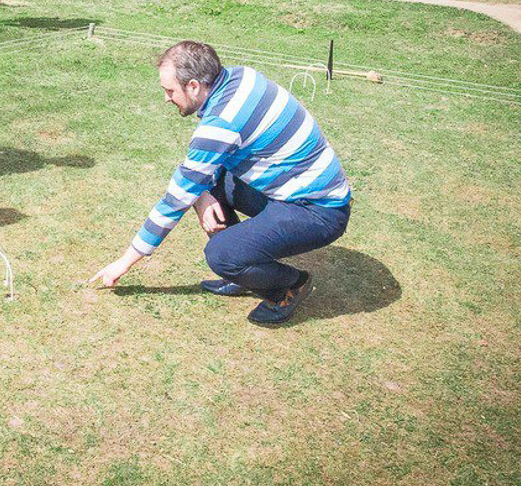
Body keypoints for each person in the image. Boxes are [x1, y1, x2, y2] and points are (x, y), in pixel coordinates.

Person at [89, 41, 352, 325]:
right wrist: (202, 195)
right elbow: (199, 172)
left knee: (222, 255)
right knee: (204, 184)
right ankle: (244, 275)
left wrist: (125, 261)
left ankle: (290, 286)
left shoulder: (222, 123)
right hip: (294, 189)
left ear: (193, 86)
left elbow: (175, 200)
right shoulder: (239, 76)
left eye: (170, 91)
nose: (166, 98)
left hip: (319, 210)